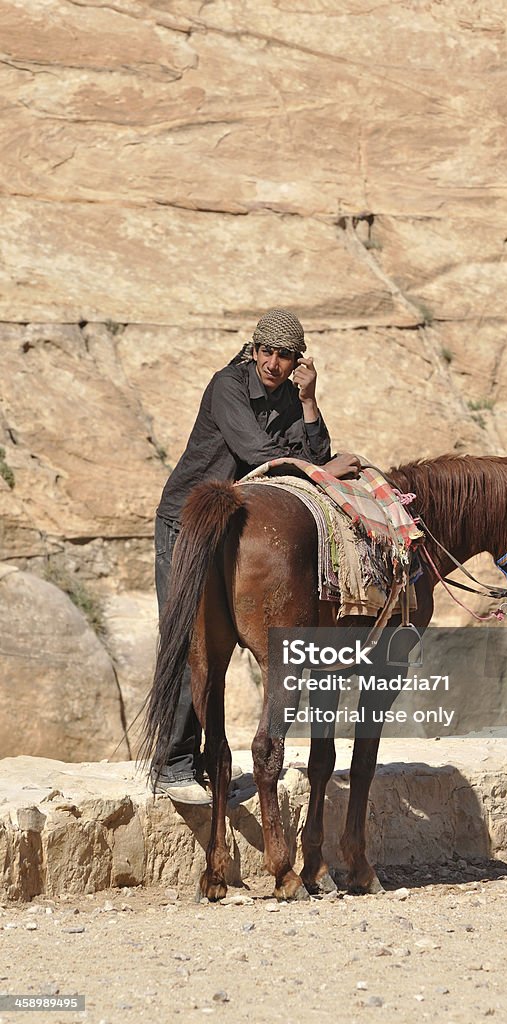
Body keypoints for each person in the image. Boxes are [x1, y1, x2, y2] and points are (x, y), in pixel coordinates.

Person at [153, 308, 361, 803]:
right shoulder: (227, 385)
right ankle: (173, 764)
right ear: (254, 349)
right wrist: (325, 468)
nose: (273, 362)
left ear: (297, 361)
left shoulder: (291, 395)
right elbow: (258, 452)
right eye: (267, 351)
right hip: (185, 521)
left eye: (285, 355)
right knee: (186, 635)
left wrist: (309, 402)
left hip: (228, 527)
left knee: (217, 644)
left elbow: (309, 455)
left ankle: (208, 764)